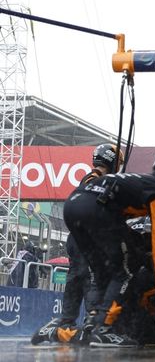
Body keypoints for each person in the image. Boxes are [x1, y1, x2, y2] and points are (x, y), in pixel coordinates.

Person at [63, 148, 155, 348]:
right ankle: (103, 330)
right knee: (124, 272)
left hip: (72, 206)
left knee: (101, 273)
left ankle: (90, 324)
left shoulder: (141, 180)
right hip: (96, 211)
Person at [32, 144, 123, 345]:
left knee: (77, 278)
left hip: (76, 237)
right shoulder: (97, 180)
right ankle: (87, 324)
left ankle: (64, 323)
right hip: (86, 238)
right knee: (91, 278)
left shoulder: (88, 179)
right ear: (113, 162)